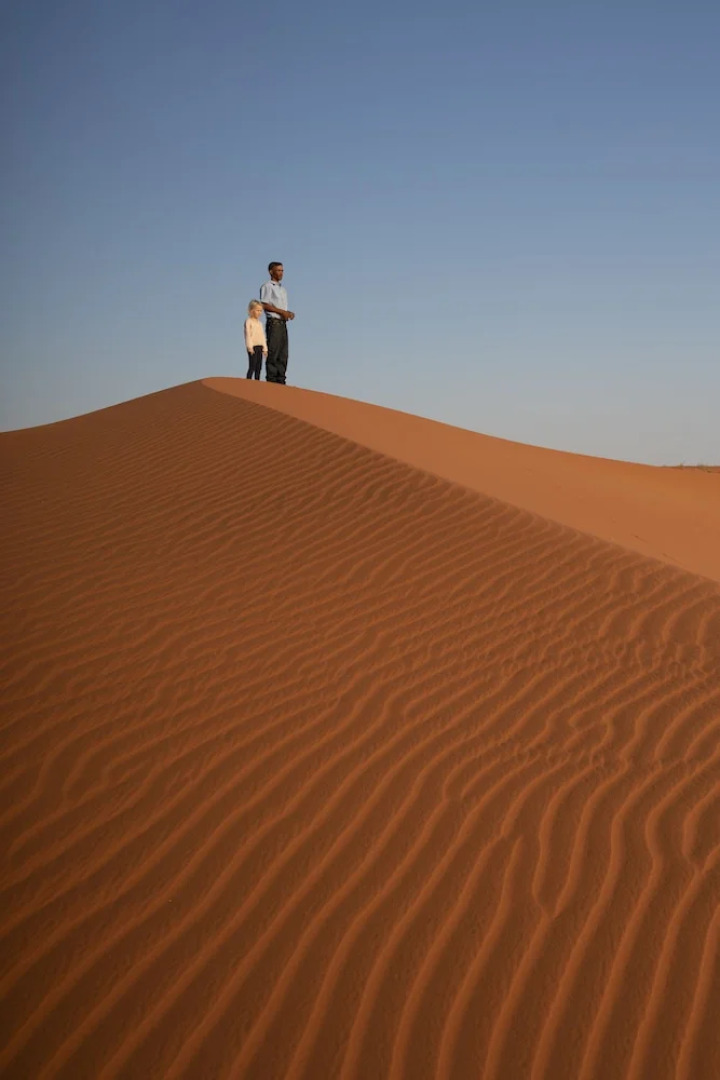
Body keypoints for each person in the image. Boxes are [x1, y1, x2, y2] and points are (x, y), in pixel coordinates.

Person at [259, 261, 294, 384]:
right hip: (273, 324)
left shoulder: (283, 289)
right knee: (273, 353)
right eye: (278, 270)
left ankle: (281, 382)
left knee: (283, 354)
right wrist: (282, 312)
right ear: (271, 272)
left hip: (282, 324)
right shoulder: (267, 286)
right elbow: (264, 304)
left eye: (282, 270)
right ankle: (272, 382)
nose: (281, 273)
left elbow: (280, 307)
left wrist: (287, 313)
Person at [244, 300, 267, 380]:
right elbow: (248, 335)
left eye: (261, 311)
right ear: (251, 310)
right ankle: (248, 382)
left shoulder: (260, 323)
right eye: (257, 310)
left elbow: (262, 336)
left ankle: (257, 382)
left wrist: (265, 348)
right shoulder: (248, 322)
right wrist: (250, 347)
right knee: (252, 366)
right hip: (252, 347)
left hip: (260, 346)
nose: (259, 313)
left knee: (259, 367)